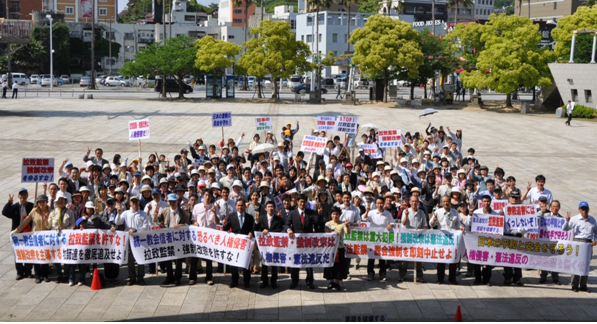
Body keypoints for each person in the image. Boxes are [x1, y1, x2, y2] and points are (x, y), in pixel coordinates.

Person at [113, 195, 152, 286]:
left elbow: (146, 227)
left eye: (136, 202)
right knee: (130, 259)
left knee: (140, 258)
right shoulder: (125, 213)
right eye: (132, 202)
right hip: (129, 239)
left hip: (140, 239)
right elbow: (118, 222)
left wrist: (136, 230)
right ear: (130, 203)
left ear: (138, 203)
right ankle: (132, 277)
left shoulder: (143, 213)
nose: (134, 203)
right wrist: (118, 214)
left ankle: (141, 277)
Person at [12, 195, 50, 283]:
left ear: (46, 202)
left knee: (45, 256)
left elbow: (50, 226)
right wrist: (16, 231)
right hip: (36, 238)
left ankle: (45, 275)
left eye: (43, 202)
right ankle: (37, 275)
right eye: (39, 202)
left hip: (46, 238)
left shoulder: (50, 211)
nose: (41, 204)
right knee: (36, 256)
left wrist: (46, 220)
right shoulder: (34, 211)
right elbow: (26, 221)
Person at [562, 201, 597, 293]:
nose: (584, 211)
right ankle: (574, 285)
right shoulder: (574, 219)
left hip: (588, 244)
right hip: (577, 242)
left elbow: (596, 232)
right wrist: (567, 221)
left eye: (586, 209)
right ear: (579, 209)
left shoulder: (592, 220)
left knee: (585, 265)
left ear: (588, 209)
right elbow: (565, 229)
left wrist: (595, 240)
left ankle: (583, 285)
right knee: (576, 264)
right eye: (582, 209)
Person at [286, 194, 318, 289]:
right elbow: (286, 224)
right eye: (300, 201)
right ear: (297, 202)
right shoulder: (292, 213)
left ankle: (310, 281)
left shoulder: (310, 213)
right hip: (296, 243)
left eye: (304, 201)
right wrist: (289, 230)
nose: (302, 203)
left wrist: (319, 214)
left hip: (308, 243)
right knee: (296, 262)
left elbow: (317, 222)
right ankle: (294, 281)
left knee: (309, 262)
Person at [158, 194, 190, 286]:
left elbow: (188, 223)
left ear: (177, 202)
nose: (172, 203)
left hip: (178, 238)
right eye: (170, 201)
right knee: (168, 258)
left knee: (178, 259)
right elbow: (156, 220)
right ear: (168, 202)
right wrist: (156, 216)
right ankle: (169, 277)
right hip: (168, 237)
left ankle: (177, 278)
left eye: (174, 201)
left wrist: (180, 225)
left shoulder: (182, 212)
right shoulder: (165, 211)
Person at [3, 188, 34, 281]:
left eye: (25, 194)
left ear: (27, 196)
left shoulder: (31, 206)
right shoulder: (15, 207)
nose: (23, 197)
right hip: (17, 233)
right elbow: (4, 212)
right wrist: (9, 203)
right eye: (21, 195)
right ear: (18, 196)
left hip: (28, 232)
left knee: (29, 252)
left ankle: (28, 271)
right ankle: (19, 272)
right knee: (18, 253)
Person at [223, 199, 255, 289]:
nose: (240, 207)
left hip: (245, 244)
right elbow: (226, 228)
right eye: (238, 205)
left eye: (242, 205)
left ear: (245, 206)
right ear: (236, 206)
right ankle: (234, 281)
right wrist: (224, 225)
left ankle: (246, 281)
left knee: (246, 264)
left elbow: (252, 228)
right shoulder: (232, 216)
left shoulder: (249, 217)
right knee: (234, 264)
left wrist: (251, 232)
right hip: (235, 243)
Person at [430, 196, 462, 285]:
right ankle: (440, 279)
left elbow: (458, 223)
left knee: (453, 259)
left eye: (447, 201)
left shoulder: (454, 212)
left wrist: (460, 226)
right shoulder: (438, 212)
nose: (446, 203)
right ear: (441, 202)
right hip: (442, 238)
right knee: (441, 259)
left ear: (450, 202)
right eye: (444, 201)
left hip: (452, 239)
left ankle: (452, 278)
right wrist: (434, 221)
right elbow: (431, 224)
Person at [362, 197, 394, 282]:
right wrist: (366, 211)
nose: (379, 205)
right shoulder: (371, 213)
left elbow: (392, 222)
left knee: (382, 257)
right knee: (371, 257)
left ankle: (382, 273)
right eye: (378, 203)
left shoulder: (387, 213)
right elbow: (363, 219)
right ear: (375, 204)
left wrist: (390, 225)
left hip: (383, 238)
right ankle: (370, 273)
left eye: (381, 203)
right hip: (372, 238)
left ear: (384, 204)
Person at [254, 201, 284, 289]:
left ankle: (274, 282)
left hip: (274, 246)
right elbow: (256, 229)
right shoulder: (261, 218)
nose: (270, 208)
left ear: (274, 208)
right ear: (265, 208)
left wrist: (269, 232)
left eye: (272, 207)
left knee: (274, 264)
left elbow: (279, 231)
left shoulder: (279, 219)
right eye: (268, 207)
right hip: (264, 246)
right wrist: (256, 222)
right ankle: (264, 281)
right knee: (264, 264)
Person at [191, 190, 219, 286]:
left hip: (209, 236)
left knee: (209, 258)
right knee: (195, 258)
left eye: (209, 195)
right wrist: (196, 224)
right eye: (206, 194)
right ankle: (192, 278)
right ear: (203, 196)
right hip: (199, 236)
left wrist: (215, 213)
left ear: (211, 197)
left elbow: (217, 222)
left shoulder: (214, 207)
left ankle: (209, 277)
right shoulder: (197, 207)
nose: (207, 197)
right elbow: (193, 219)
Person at [48, 192, 76, 284]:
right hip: (55, 238)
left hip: (66, 238)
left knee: (66, 255)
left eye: (62, 200)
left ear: (65, 201)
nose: (61, 201)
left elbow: (73, 225)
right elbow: (48, 226)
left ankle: (66, 275)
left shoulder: (70, 212)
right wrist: (45, 219)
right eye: (59, 200)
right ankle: (58, 275)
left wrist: (65, 228)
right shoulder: (52, 212)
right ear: (56, 201)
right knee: (56, 257)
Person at [400, 196, 428, 282]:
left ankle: (419, 275)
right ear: (410, 202)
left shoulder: (421, 213)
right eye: (412, 201)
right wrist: (406, 216)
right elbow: (403, 223)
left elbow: (425, 225)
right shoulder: (406, 211)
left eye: (416, 201)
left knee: (418, 258)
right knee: (405, 258)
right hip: (408, 238)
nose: (414, 203)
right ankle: (401, 275)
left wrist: (419, 230)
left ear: (418, 203)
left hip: (418, 238)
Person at [471, 195, 498, 286]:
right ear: (481, 202)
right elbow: (471, 224)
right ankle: (477, 279)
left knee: (488, 260)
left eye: (488, 201)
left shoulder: (495, 214)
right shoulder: (477, 212)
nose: (486, 203)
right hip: (478, 240)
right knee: (477, 260)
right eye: (484, 201)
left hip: (490, 241)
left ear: (491, 202)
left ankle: (487, 280)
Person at [500, 189, 524, 286]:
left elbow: (527, 224)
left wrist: (522, 232)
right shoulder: (504, 209)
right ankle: (507, 277)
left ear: (519, 199)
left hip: (517, 235)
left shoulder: (523, 210)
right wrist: (501, 215)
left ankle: (517, 277)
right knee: (507, 257)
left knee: (518, 256)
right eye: (512, 197)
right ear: (509, 198)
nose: (514, 199)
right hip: (507, 235)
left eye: (516, 198)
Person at [324, 206, 350, 291]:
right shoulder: (327, 224)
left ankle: (338, 282)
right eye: (333, 214)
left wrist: (347, 226)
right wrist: (332, 232)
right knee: (330, 265)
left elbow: (347, 232)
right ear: (331, 215)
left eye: (337, 214)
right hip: (330, 248)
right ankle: (331, 282)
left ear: (339, 215)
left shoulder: (342, 224)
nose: (335, 216)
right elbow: (326, 233)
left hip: (340, 247)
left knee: (339, 266)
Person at [537, 197, 561, 285]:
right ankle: (543, 277)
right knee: (545, 259)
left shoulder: (561, 219)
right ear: (550, 207)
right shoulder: (545, 216)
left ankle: (555, 278)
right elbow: (536, 219)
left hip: (555, 243)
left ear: (559, 208)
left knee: (555, 260)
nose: (555, 208)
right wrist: (541, 212)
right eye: (553, 206)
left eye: (557, 206)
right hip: (545, 241)